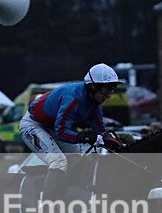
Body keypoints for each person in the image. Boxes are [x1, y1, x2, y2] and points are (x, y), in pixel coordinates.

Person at [19, 63, 123, 203]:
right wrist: (86, 137)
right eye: (106, 88)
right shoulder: (72, 98)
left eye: (112, 88)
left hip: (52, 126)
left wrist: (113, 141)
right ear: (93, 86)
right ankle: (47, 205)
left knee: (78, 160)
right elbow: (61, 132)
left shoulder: (95, 105)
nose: (109, 93)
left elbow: (101, 132)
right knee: (59, 162)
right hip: (33, 125)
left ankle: (68, 197)